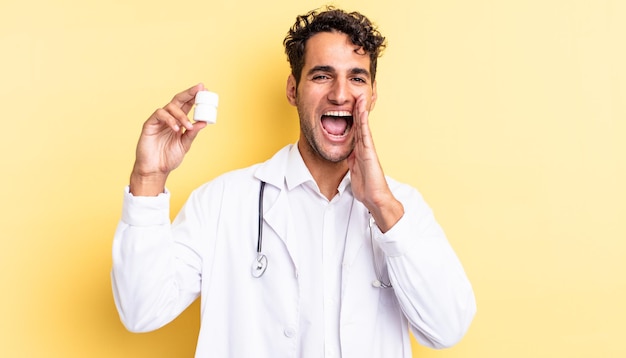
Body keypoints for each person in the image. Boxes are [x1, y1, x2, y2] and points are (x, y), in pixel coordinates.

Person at [111, 6, 476, 358]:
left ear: (373, 94)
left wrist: (384, 208)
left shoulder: (402, 208)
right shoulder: (221, 201)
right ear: (292, 89)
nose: (339, 93)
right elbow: (142, 310)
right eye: (321, 75)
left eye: (357, 78)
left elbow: (447, 328)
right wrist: (149, 178)